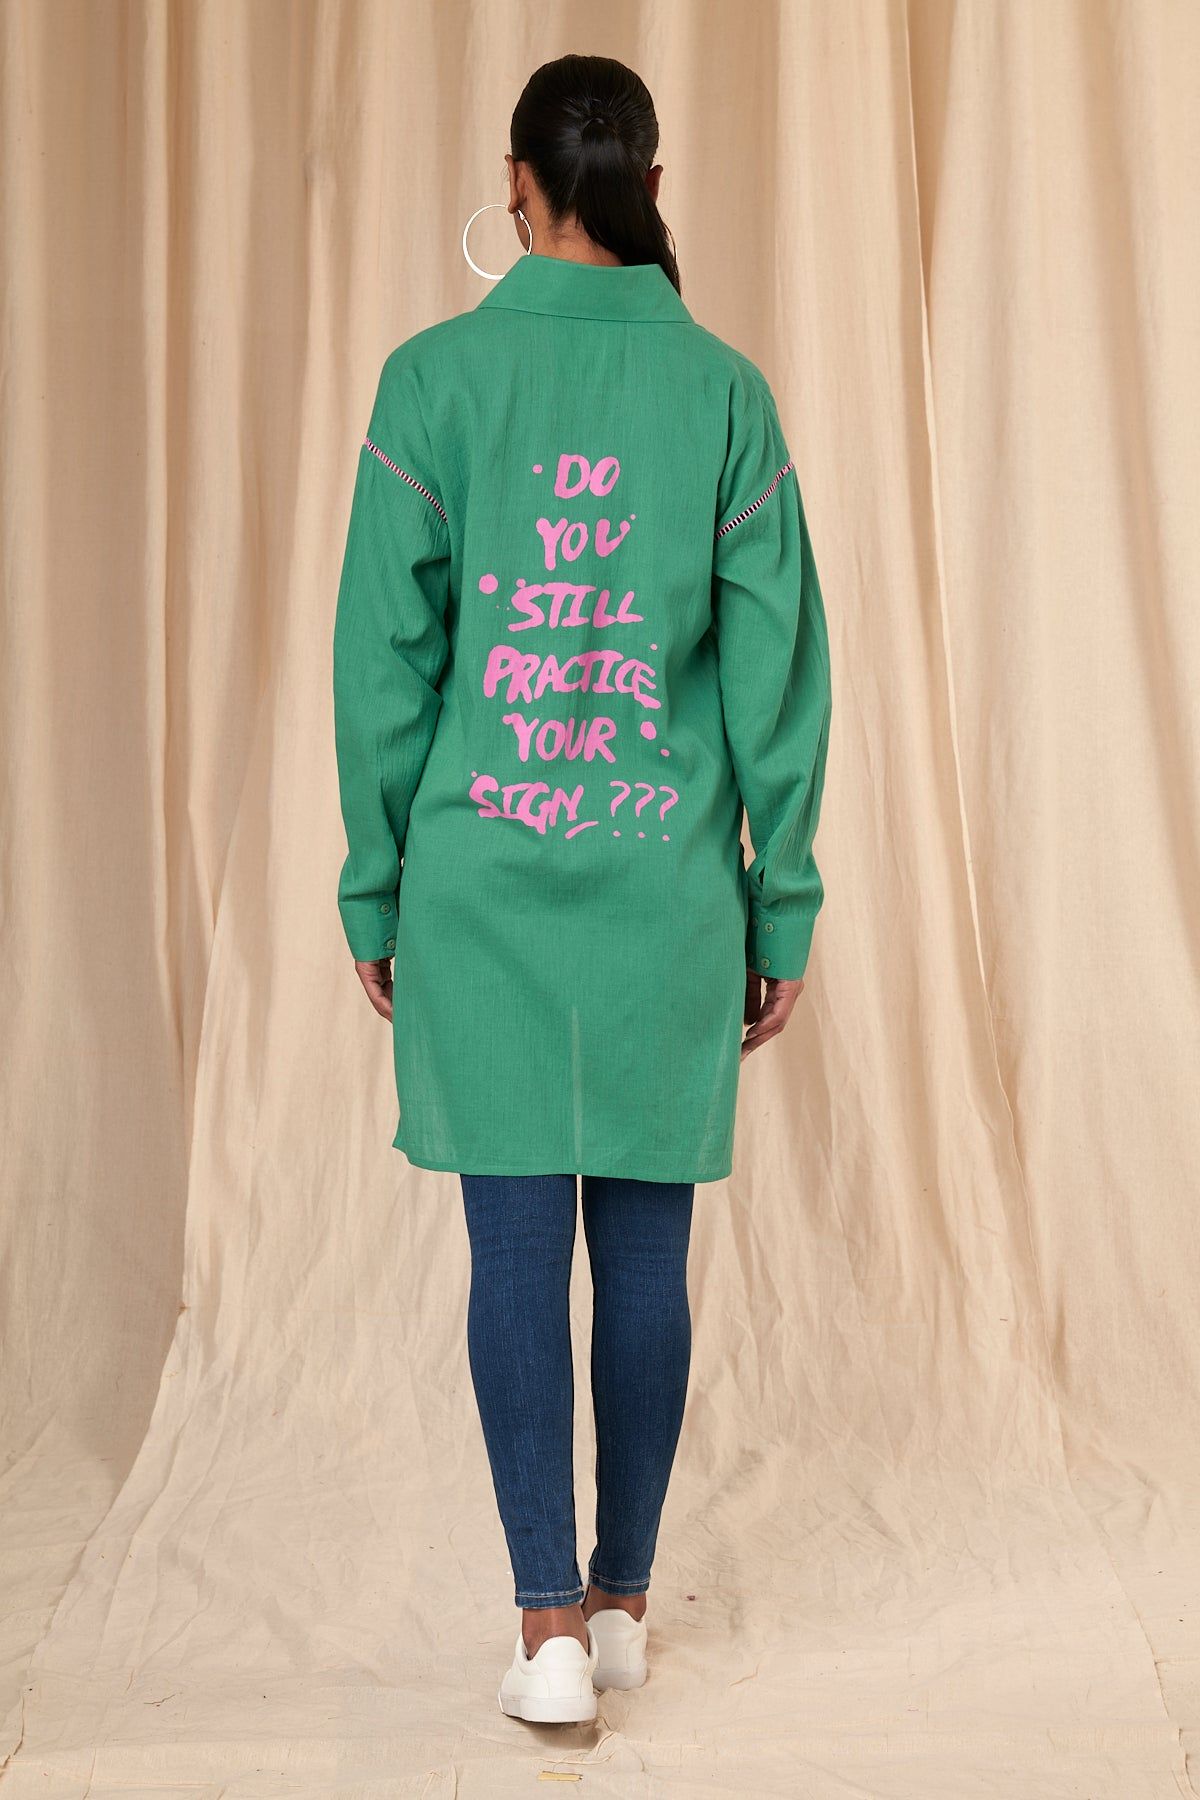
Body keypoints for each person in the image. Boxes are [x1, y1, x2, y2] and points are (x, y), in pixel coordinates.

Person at [332, 53, 832, 1724]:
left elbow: (383, 666)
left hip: (478, 891)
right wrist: (781, 900)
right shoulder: (725, 397)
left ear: (518, 184)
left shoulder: (431, 382)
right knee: (643, 1263)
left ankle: (546, 1627)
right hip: (664, 893)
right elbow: (775, 677)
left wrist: (375, 885)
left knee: (514, 1253)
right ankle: (623, 1603)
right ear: (652, 187)